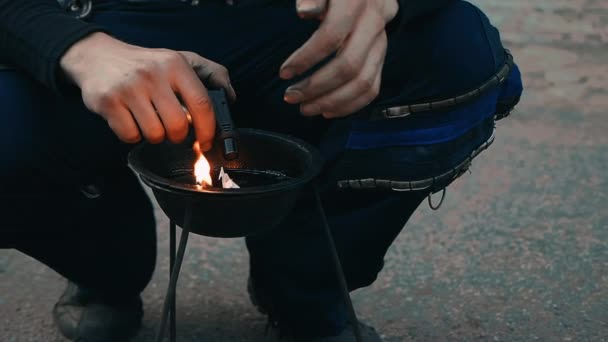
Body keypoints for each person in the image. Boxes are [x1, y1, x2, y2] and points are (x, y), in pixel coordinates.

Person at [0, 0, 523, 341]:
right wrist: (68, 46)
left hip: (296, 26)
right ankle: (104, 261)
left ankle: (305, 286)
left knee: (454, 54)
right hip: (92, 20)